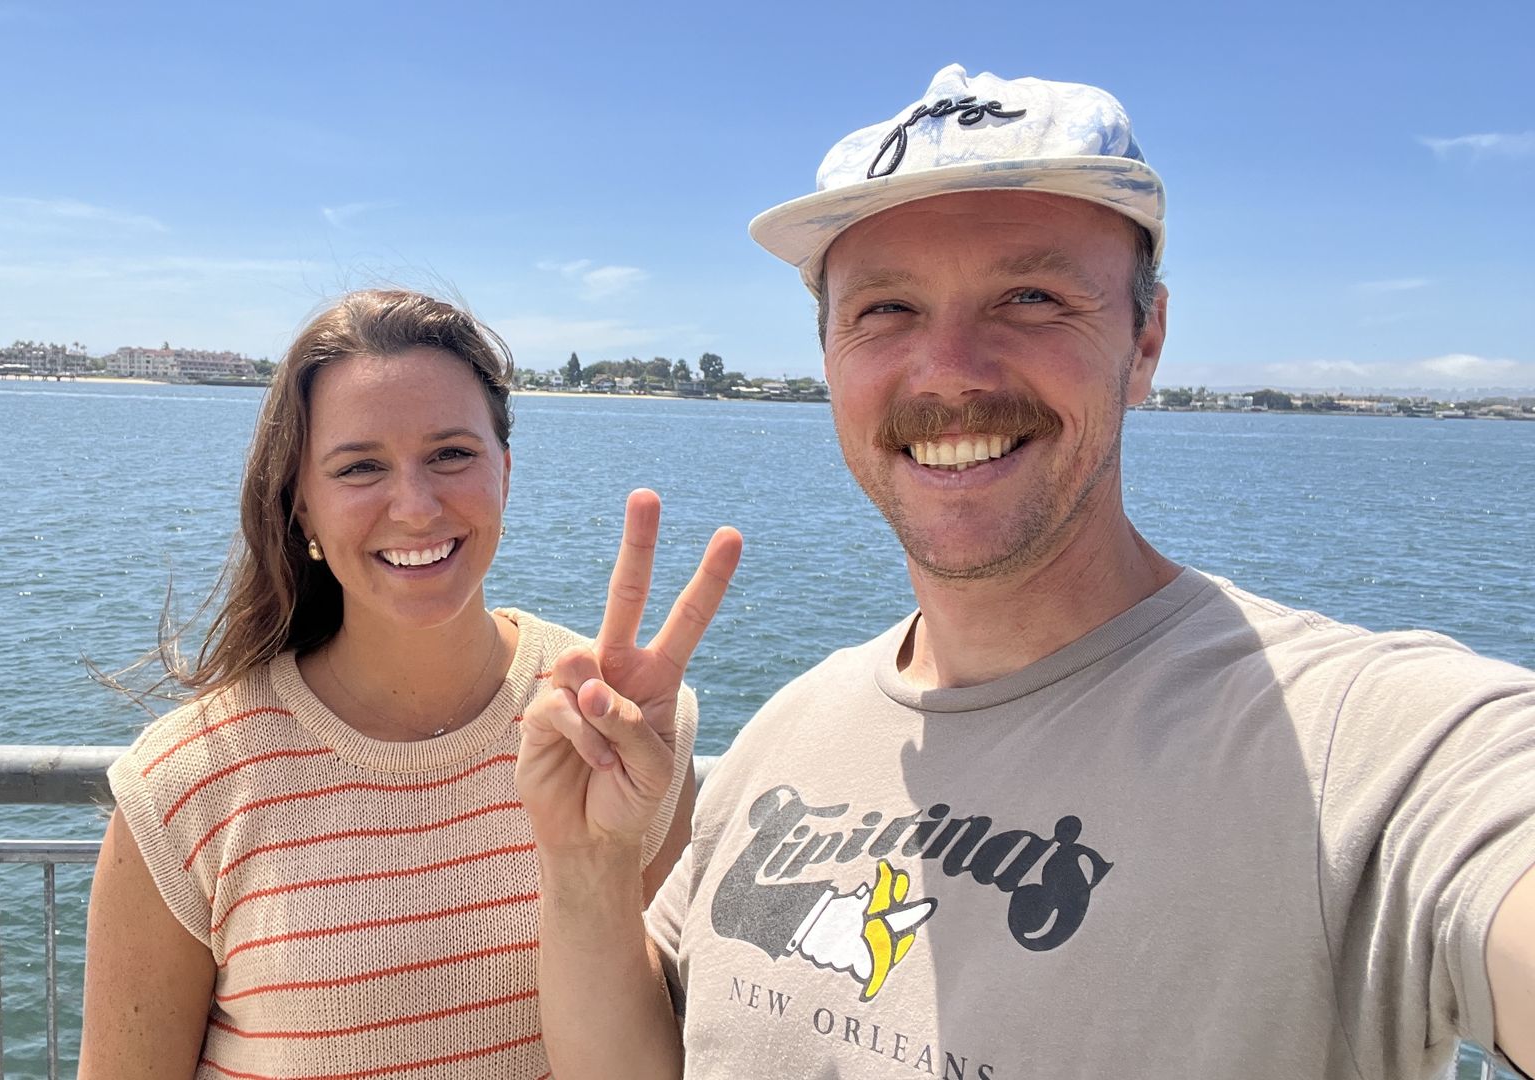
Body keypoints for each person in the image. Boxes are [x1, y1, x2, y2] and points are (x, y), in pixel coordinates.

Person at [516, 65, 1535, 1078]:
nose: (951, 368)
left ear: (1145, 343)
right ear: (828, 352)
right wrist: (590, 873)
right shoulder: (787, 733)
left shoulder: (1361, 750)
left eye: (1032, 296)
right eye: (886, 309)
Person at [79, 289, 699, 1080]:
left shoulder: (618, 726)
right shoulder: (184, 784)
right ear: (301, 505)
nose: (415, 506)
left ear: (504, 471)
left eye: (451, 454)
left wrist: (597, 856)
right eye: (360, 467)